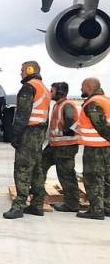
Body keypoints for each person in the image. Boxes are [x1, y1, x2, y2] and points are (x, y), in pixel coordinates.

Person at [3, 61, 50, 219]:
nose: (21, 73)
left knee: (22, 169)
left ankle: (19, 206)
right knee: (36, 170)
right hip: (39, 133)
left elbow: (22, 114)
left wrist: (15, 134)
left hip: (28, 133)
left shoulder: (29, 87)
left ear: (30, 70)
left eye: (23, 70)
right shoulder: (44, 88)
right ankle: (37, 204)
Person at [35, 82, 81, 212]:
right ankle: (38, 194)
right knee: (40, 165)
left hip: (65, 146)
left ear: (60, 92)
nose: (50, 93)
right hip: (55, 145)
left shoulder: (67, 105)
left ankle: (72, 204)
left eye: (53, 91)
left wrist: (66, 131)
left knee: (66, 175)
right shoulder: (58, 105)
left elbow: (70, 121)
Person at [75, 77, 110, 220]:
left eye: (83, 86)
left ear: (89, 87)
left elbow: (100, 126)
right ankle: (107, 207)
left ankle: (96, 210)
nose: (81, 89)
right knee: (106, 178)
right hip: (106, 147)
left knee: (92, 178)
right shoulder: (106, 100)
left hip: (96, 148)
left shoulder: (93, 103)